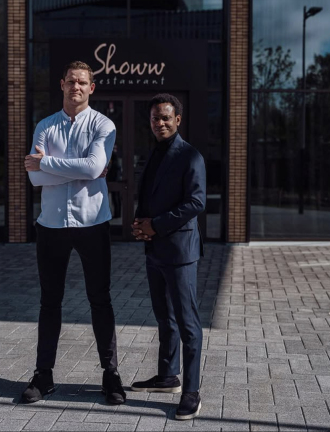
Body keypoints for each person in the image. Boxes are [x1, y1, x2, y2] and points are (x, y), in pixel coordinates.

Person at [22, 61, 125, 405]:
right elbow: (35, 179)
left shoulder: (103, 124)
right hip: (51, 226)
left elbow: (94, 166)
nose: (76, 87)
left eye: (83, 82)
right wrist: (79, 171)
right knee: (49, 302)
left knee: (101, 300)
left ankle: (110, 375)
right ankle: (44, 376)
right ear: (61, 84)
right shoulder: (45, 126)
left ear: (91, 88)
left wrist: (47, 164)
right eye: (71, 81)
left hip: (93, 224)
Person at [129, 93, 206, 420]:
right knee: (165, 317)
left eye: (165, 118)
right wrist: (140, 225)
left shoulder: (190, 156)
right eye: (154, 119)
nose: (158, 123)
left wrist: (155, 226)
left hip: (179, 251)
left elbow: (196, 203)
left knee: (188, 323)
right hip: (155, 249)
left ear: (177, 120)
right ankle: (167, 375)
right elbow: (150, 195)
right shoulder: (156, 153)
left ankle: (191, 391)